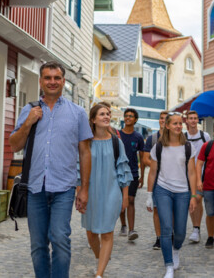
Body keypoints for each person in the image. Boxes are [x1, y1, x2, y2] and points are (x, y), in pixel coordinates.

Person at [9, 61, 93, 278]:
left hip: (64, 188)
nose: (52, 82)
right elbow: (15, 145)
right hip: (35, 187)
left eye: (57, 78)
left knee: (60, 238)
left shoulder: (77, 113)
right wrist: (28, 122)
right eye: (48, 78)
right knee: (38, 245)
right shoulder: (29, 109)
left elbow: (85, 152)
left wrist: (84, 188)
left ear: (63, 82)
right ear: (41, 81)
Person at [82, 104, 133, 278]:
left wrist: (125, 196)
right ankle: (101, 258)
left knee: (107, 232)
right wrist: (79, 192)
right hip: (90, 193)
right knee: (91, 233)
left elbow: (124, 170)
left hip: (112, 192)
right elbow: (78, 169)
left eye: (108, 114)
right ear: (93, 119)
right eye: (102, 114)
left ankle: (99, 274)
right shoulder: (85, 141)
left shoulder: (116, 142)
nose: (106, 116)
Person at [146, 112, 198, 278]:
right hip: (163, 190)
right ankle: (168, 265)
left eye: (180, 123)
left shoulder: (188, 147)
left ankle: (176, 249)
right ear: (167, 126)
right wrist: (149, 195)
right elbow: (152, 172)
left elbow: (192, 173)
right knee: (166, 228)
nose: (178, 126)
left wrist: (194, 196)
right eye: (174, 123)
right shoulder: (159, 147)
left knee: (181, 231)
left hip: (183, 192)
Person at [142, 110, 169, 250]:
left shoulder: (178, 138)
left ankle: (169, 234)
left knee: (172, 210)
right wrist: (157, 165)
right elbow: (145, 159)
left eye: (166, 119)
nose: (163, 121)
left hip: (173, 179)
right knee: (157, 210)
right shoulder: (152, 138)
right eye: (161, 118)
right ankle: (159, 238)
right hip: (157, 178)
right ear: (159, 121)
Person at [118, 108, 146, 241]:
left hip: (133, 172)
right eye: (126, 115)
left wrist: (142, 176)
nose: (128, 118)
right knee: (120, 201)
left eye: (131, 116)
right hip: (118, 172)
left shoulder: (138, 137)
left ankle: (131, 230)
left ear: (135, 120)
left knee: (131, 200)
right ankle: (123, 224)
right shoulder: (117, 135)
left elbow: (142, 156)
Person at [184, 110, 211, 243]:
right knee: (192, 200)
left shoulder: (204, 136)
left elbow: (210, 153)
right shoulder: (183, 137)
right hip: (187, 175)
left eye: (195, 118)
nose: (193, 121)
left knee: (198, 199)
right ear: (187, 121)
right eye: (191, 118)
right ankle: (195, 228)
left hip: (202, 174)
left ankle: (197, 228)